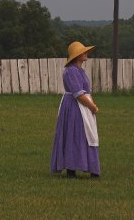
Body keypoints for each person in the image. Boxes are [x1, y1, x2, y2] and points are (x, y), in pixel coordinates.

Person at [50, 41, 101, 178]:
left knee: (86, 135)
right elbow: (78, 93)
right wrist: (92, 107)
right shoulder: (71, 71)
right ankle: (71, 168)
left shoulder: (80, 71)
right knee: (75, 134)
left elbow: (85, 92)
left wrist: (91, 104)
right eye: (83, 52)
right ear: (77, 55)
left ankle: (90, 168)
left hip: (82, 105)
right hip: (74, 107)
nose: (86, 54)